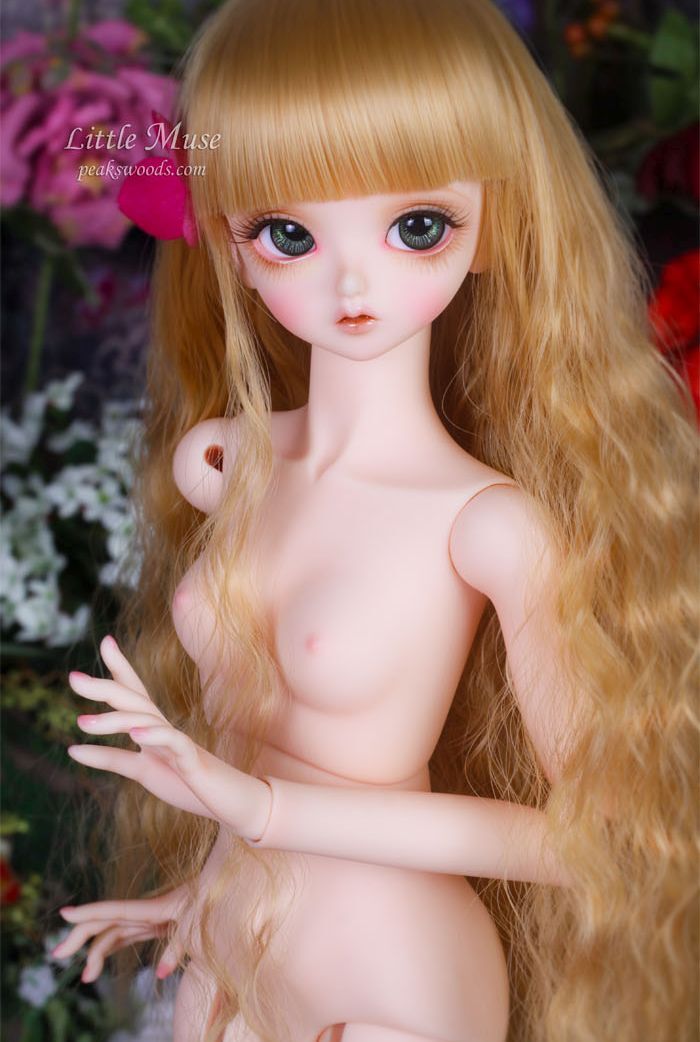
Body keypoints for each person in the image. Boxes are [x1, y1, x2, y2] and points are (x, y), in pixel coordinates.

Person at [53, 1, 698, 1040]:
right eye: (289, 234)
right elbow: (254, 727)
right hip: (235, 948)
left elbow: (593, 841)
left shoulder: (483, 526)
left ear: (492, 225)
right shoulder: (226, 463)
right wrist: (201, 890)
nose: (352, 282)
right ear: (228, 242)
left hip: (396, 982)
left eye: (417, 226)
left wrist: (263, 811)